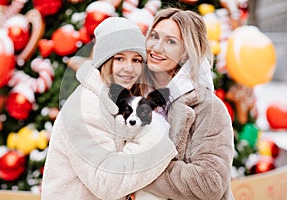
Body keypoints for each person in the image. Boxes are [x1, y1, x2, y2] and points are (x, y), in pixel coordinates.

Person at [41, 17, 177, 200]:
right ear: (103, 62)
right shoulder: (85, 107)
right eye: (119, 58)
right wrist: (157, 133)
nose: (129, 68)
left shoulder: (117, 101)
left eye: (136, 60)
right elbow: (107, 182)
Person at [131, 8, 234, 200]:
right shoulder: (131, 95)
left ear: (187, 51)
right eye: (154, 36)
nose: (157, 47)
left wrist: (138, 168)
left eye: (170, 41)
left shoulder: (207, 107)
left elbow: (209, 183)